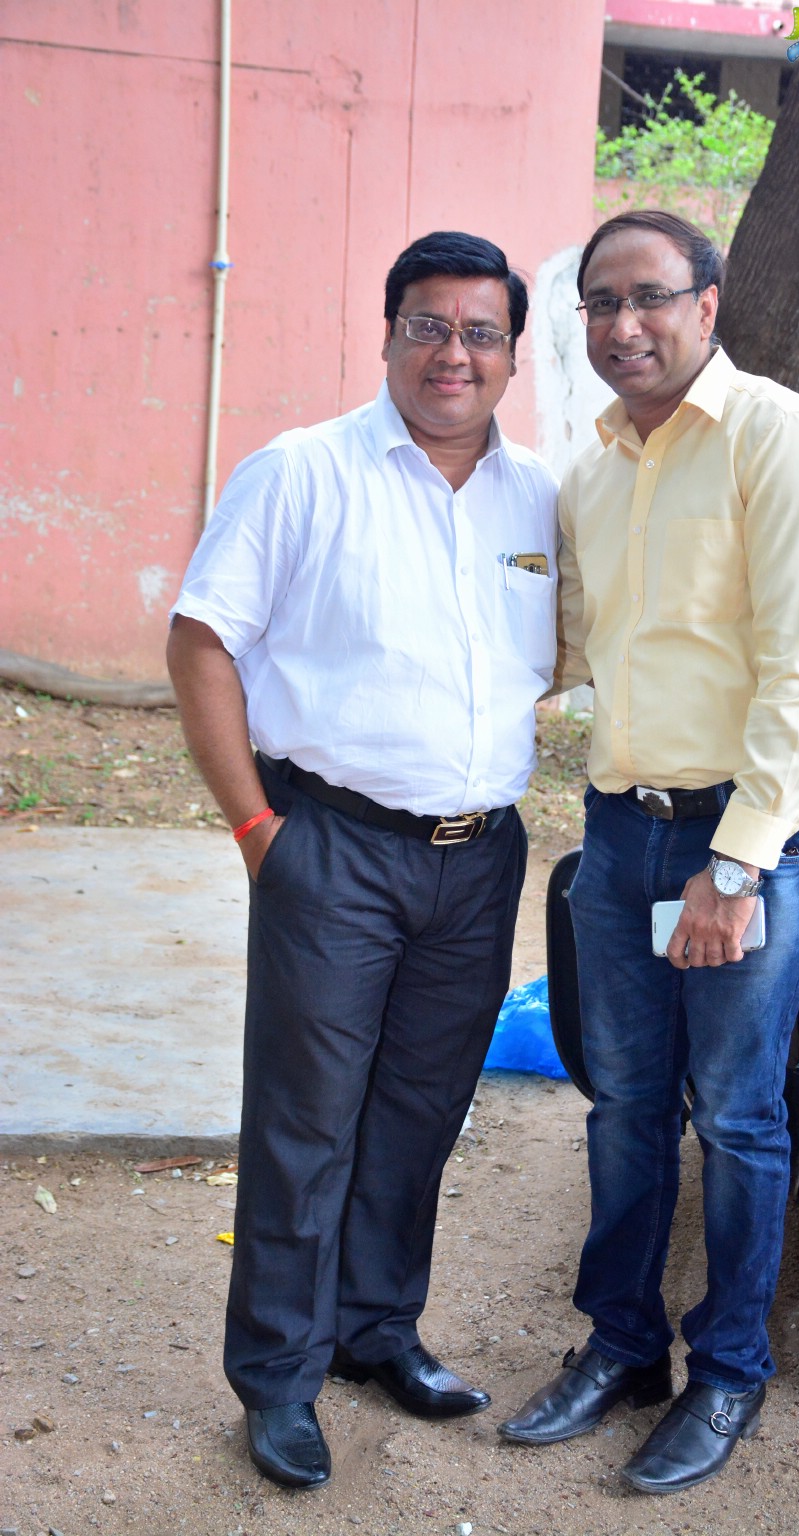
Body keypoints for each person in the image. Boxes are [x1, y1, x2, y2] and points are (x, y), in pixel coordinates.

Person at [166, 231, 558, 1491]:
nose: (455, 353)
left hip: (476, 858)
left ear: (511, 354)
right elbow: (201, 641)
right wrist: (255, 832)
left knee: (419, 1115)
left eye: (480, 332)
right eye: (428, 326)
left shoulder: (539, 499)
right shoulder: (301, 472)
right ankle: (277, 1380)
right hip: (326, 848)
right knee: (304, 1124)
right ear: (387, 334)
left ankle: (375, 1332)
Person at [498, 211, 799, 1493]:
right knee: (624, 1103)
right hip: (620, 827)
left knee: (741, 1113)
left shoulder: (785, 441)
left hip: (741, 834)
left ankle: (726, 1376)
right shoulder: (590, 471)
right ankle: (619, 1349)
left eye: (648, 298)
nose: (621, 326)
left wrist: (737, 866)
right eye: (598, 304)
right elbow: (566, 650)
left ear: (707, 306)